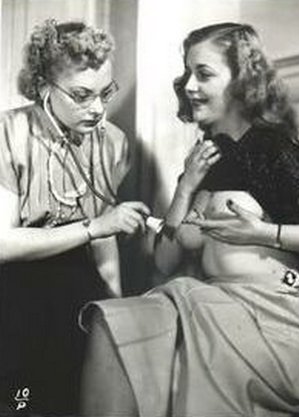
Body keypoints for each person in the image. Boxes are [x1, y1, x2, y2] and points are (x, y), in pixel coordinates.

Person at [80, 23, 299, 417]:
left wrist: (268, 234)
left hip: (275, 325)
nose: (189, 85)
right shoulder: (204, 160)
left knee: (171, 338)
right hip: (213, 308)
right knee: (114, 321)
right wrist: (185, 188)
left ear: (243, 81)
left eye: (204, 74)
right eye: (187, 72)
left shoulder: (273, 150)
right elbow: (165, 262)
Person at [0, 19, 150, 416]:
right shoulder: (8, 132)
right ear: (43, 85)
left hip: (76, 279)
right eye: (82, 95)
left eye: (105, 93)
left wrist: (115, 306)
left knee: (80, 390)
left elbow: (107, 235)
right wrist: (95, 227)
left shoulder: (112, 142)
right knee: (22, 400)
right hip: (13, 284)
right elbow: (3, 244)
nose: (97, 109)